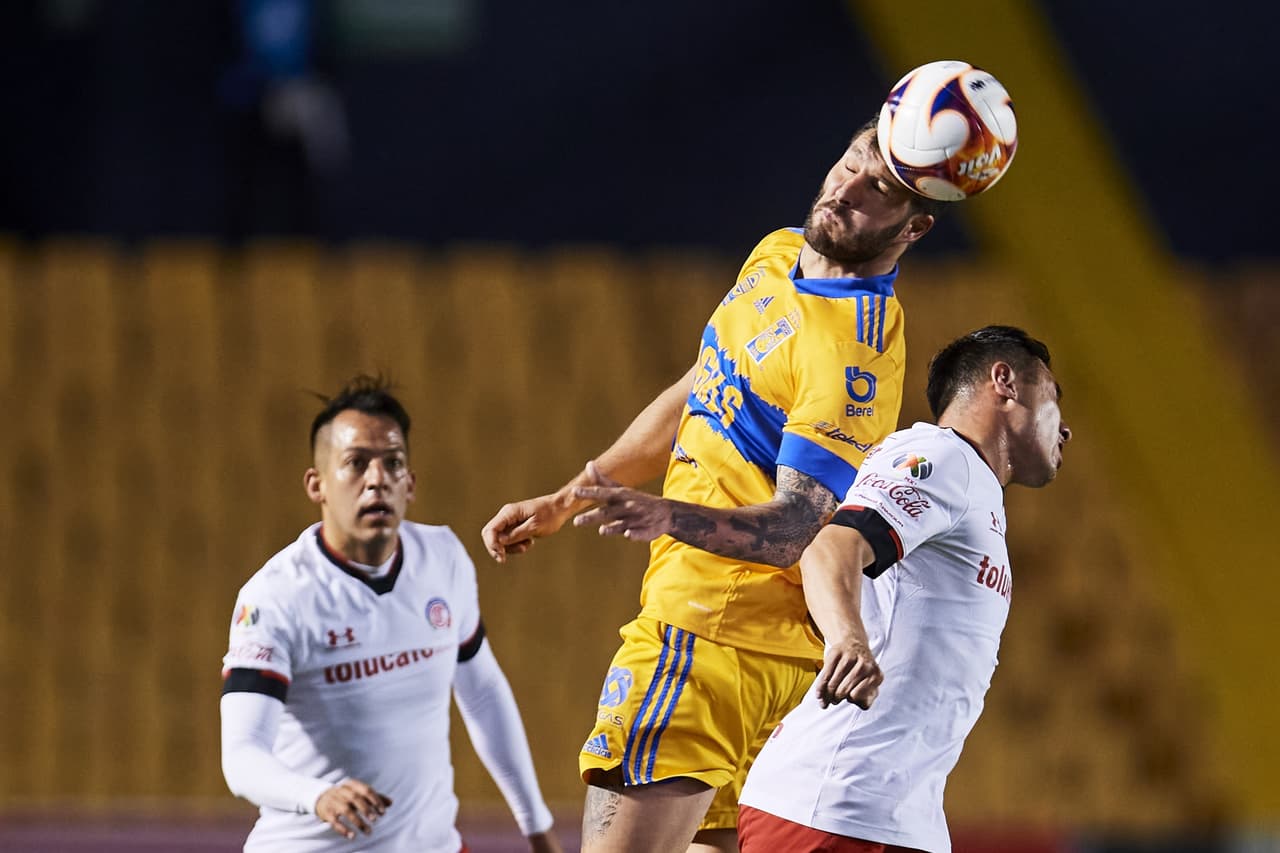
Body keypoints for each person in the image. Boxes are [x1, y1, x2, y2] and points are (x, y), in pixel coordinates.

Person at [482, 113, 945, 852]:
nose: (848, 184)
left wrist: (666, 515)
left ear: (914, 226)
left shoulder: (849, 353)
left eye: (880, 188)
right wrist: (573, 495)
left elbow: (799, 524)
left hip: (705, 638)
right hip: (751, 654)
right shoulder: (777, 255)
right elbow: (704, 385)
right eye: (853, 158)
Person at [726, 325, 1070, 852]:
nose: (1065, 429)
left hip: (896, 814)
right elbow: (830, 546)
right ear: (1005, 381)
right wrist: (848, 639)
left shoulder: (977, 494)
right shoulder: (942, 456)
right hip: (836, 807)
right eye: (1054, 397)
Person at [220, 376, 563, 853]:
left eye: (393, 463)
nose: (377, 478)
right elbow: (241, 755)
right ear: (316, 485)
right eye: (356, 463)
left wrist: (537, 826)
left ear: (411, 484)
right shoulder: (276, 596)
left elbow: (482, 694)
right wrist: (315, 795)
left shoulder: (443, 558)